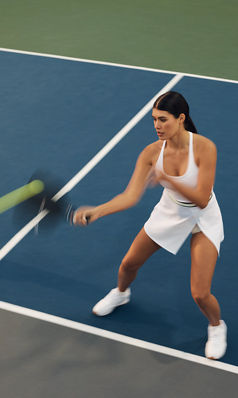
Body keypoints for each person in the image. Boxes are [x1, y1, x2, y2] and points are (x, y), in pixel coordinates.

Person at [73, 91, 227, 360]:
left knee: (200, 294)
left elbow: (202, 199)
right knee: (128, 264)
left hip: (203, 219)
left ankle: (217, 326)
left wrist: (170, 179)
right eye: (154, 119)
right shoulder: (151, 152)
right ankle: (121, 293)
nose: (157, 125)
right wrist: (98, 211)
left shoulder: (205, 148)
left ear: (181, 119)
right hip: (170, 212)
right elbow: (130, 195)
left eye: (163, 119)